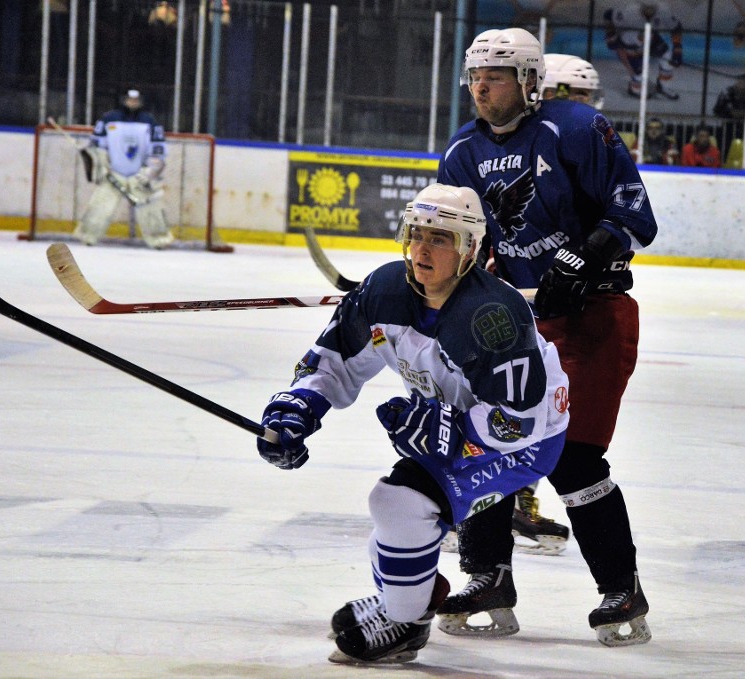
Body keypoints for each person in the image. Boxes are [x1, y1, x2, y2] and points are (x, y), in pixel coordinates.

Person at [256, 183, 570, 664]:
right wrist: (297, 408)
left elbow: (517, 422)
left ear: (468, 249)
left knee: (400, 502)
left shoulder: (493, 317)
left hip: (525, 439)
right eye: (416, 233)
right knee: (395, 517)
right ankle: (404, 599)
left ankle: (404, 622)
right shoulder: (383, 292)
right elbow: (331, 363)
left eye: (440, 238)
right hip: (467, 418)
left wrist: (448, 429)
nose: (422, 248)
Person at [436, 27, 658, 647]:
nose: (482, 87)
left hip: (594, 318)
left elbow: (635, 217)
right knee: (484, 444)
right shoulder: (461, 151)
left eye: (497, 76)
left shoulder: (578, 130)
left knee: (574, 458)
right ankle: (486, 578)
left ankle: (622, 589)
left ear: (529, 81)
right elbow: (471, 244)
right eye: (476, 76)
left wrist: (583, 259)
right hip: (520, 323)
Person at [73, 89, 173, 249]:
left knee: (150, 208)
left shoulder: (150, 122)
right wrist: (102, 165)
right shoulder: (109, 119)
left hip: (139, 176)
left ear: (141, 101)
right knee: (100, 206)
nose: (132, 103)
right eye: (129, 99)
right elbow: (99, 147)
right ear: (123, 100)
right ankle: (87, 236)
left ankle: (159, 240)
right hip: (114, 173)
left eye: (136, 100)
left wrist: (149, 172)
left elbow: (158, 151)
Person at [603, 1, 683, 100]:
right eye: (646, 7)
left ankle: (664, 85)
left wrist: (677, 49)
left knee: (668, 57)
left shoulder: (663, 10)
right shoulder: (627, 10)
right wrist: (611, 36)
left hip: (651, 37)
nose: (649, 11)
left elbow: (676, 27)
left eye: (652, 8)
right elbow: (608, 16)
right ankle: (635, 86)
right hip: (629, 40)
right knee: (639, 71)